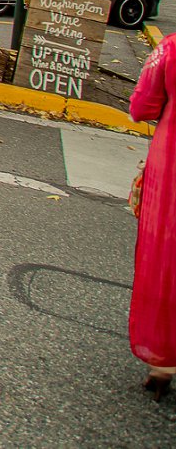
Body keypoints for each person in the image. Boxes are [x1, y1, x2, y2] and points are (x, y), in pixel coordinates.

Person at [129, 34, 176, 397]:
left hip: (171, 170)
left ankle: (163, 361)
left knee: (166, 263)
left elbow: (142, 107)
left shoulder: (171, 49)